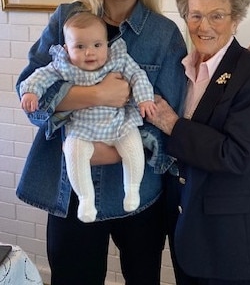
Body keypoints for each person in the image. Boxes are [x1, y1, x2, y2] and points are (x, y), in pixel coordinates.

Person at [15, 0, 187, 285]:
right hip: (72, 191)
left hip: (137, 193)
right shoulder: (66, 19)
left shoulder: (163, 34)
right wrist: (98, 95)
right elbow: (30, 94)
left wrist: (110, 150)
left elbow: (166, 117)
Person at [147, 0, 250, 285]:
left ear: (235, 20)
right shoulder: (180, 68)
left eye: (217, 16)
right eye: (195, 15)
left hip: (229, 237)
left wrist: (173, 125)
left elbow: (236, 155)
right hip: (186, 223)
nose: (204, 26)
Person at [19, 11, 157, 223]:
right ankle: (85, 198)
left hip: (118, 123)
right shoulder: (64, 65)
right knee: (73, 151)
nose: (89, 53)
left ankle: (132, 189)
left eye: (97, 45)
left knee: (133, 146)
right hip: (82, 128)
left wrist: (144, 99)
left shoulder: (117, 59)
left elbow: (138, 76)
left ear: (107, 44)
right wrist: (30, 92)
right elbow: (40, 76)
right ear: (66, 49)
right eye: (80, 47)